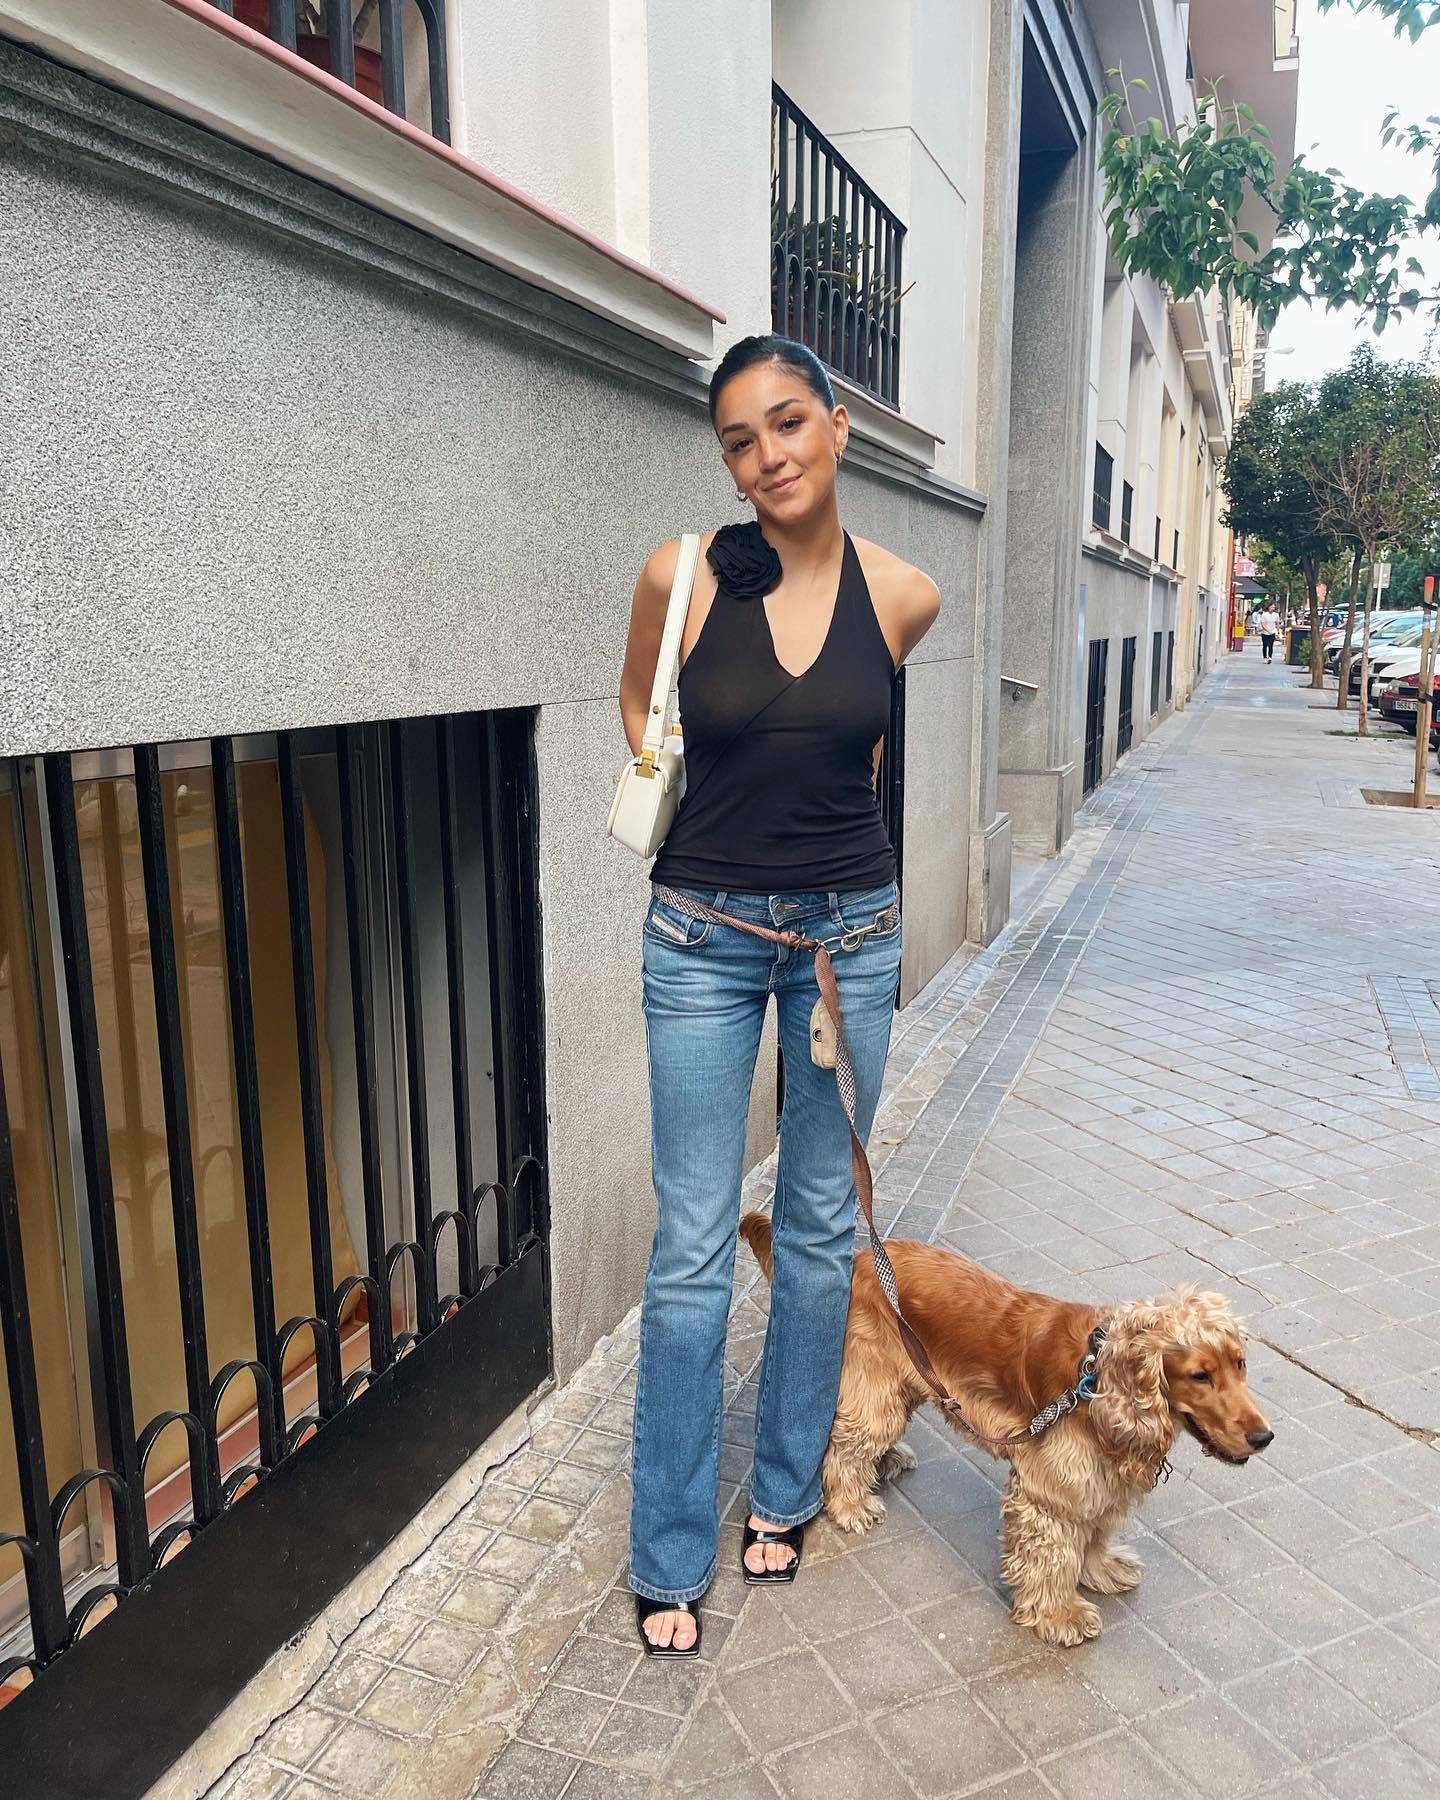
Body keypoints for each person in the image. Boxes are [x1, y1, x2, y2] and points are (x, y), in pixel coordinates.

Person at [617, 334, 941, 1655]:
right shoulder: (681, 574)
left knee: (815, 1230)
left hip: (846, 943)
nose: (769, 456)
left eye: (790, 423)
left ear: (839, 427)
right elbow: (638, 716)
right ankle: (667, 1551)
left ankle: (788, 1493)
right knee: (695, 1242)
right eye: (740, 440)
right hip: (699, 937)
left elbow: (859, 755)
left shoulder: (906, 595)